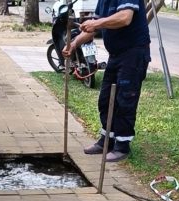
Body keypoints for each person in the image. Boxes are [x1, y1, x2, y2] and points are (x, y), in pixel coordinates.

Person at [62, 0, 151, 162]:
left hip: (134, 53)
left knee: (125, 100)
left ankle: (122, 146)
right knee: (105, 99)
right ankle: (106, 140)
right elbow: (92, 29)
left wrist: (97, 22)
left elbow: (125, 18)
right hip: (116, 55)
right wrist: (74, 44)